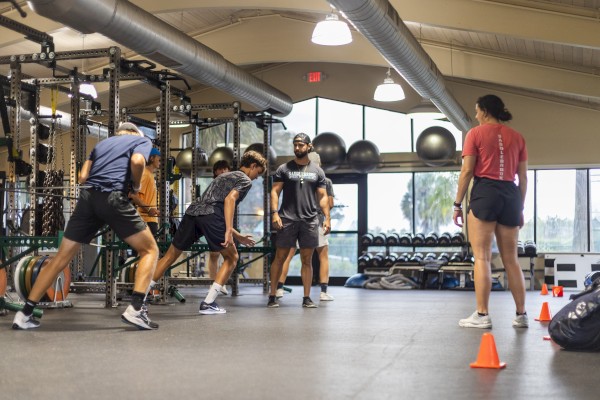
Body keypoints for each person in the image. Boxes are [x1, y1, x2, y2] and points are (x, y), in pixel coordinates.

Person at [12, 122, 160, 330]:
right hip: (113, 197)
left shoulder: (101, 145)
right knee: (150, 250)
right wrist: (135, 185)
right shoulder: (141, 140)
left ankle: (24, 313)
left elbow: (82, 177)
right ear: (135, 133)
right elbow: (137, 161)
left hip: (88, 199)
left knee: (59, 260)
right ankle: (135, 309)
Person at [146, 151, 266, 314]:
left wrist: (236, 234)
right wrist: (230, 230)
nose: (256, 177)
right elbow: (228, 200)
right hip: (211, 214)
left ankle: (140, 296)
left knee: (169, 256)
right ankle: (208, 303)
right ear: (253, 166)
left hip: (193, 212)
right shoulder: (244, 180)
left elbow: (211, 203)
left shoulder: (225, 176)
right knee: (232, 258)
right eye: (257, 173)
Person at [452, 94, 528, 329]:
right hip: (511, 194)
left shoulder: (474, 134)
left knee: (482, 256)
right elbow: (523, 177)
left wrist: (457, 204)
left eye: (476, 111)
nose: (475, 116)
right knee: (511, 260)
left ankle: (482, 315)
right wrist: (520, 207)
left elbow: (466, 172)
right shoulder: (518, 137)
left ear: (484, 111)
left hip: (486, 192)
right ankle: (521, 315)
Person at [268, 133, 330, 308]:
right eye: (295, 145)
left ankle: (306, 297)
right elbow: (275, 191)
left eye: (301, 145)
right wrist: (274, 213)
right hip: (287, 219)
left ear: (309, 147)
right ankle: (272, 295)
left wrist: (327, 218)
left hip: (309, 220)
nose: (297, 148)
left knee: (307, 260)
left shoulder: (318, 171)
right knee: (279, 257)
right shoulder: (283, 169)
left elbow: (323, 196)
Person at [206, 160, 231, 295]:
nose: (222, 172)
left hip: (225, 222)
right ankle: (213, 283)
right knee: (214, 254)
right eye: (219, 169)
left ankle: (221, 283)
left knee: (228, 255)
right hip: (212, 221)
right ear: (215, 172)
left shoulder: (232, 186)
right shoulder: (212, 185)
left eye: (225, 169)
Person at [129, 147, 161, 236]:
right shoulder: (145, 174)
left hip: (150, 221)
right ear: (151, 158)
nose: (160, 161)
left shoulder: (149, 175)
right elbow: (133, 195)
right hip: (146, 221)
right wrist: (149, 209)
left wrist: (155, 210)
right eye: (158, 158)